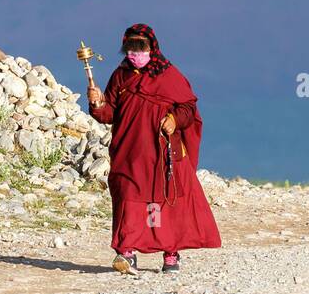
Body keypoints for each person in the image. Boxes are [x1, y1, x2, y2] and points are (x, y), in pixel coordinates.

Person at [86, 24, 221, 275]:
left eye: (140, 47)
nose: (135, 53)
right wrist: (96, 102)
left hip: (162, 154)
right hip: (130, 153)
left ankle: (170, 253)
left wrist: (174, 120)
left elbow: (188, 109)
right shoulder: (120, 76)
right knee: (129, 199)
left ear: (152, 48)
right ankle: (127, 252)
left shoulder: (168, 75)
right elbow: (109, 114)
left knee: (164, 202)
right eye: (130, 48)